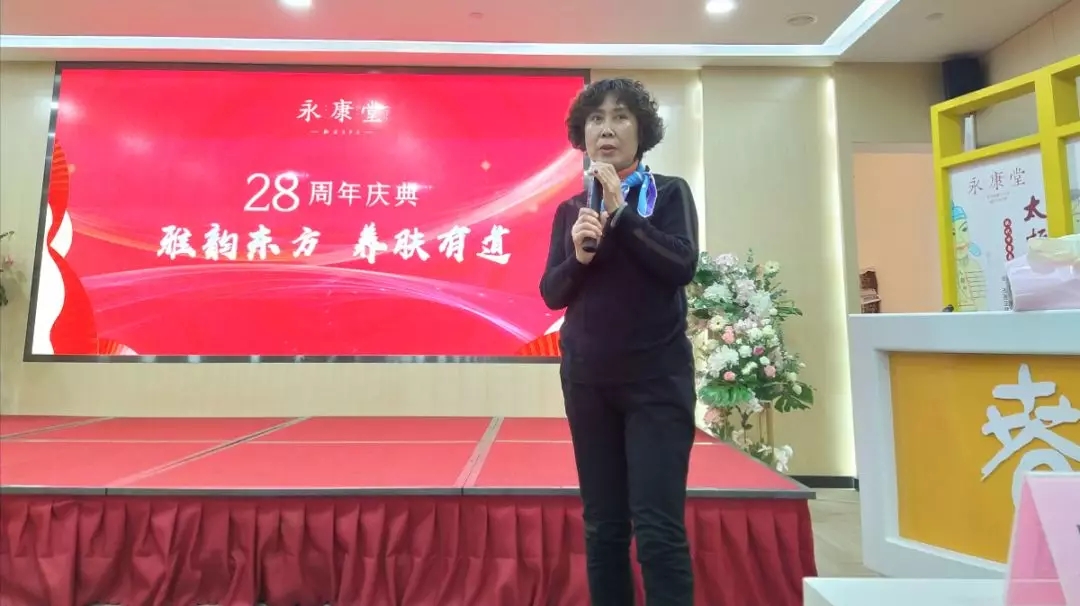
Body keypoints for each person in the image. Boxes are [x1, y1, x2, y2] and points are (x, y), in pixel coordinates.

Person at [539, 78, 699, 605]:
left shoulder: (668, 194)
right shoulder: (571, 210)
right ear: (582, 134)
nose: (606, 129)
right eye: (596, 119)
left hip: (657, 383)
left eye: (620, 117)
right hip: (588, 383)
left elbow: (680, 265)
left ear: (641, 131)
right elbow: (552, 294)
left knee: (658, 529)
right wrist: (580, 257)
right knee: (604, 526)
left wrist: (622, 212)